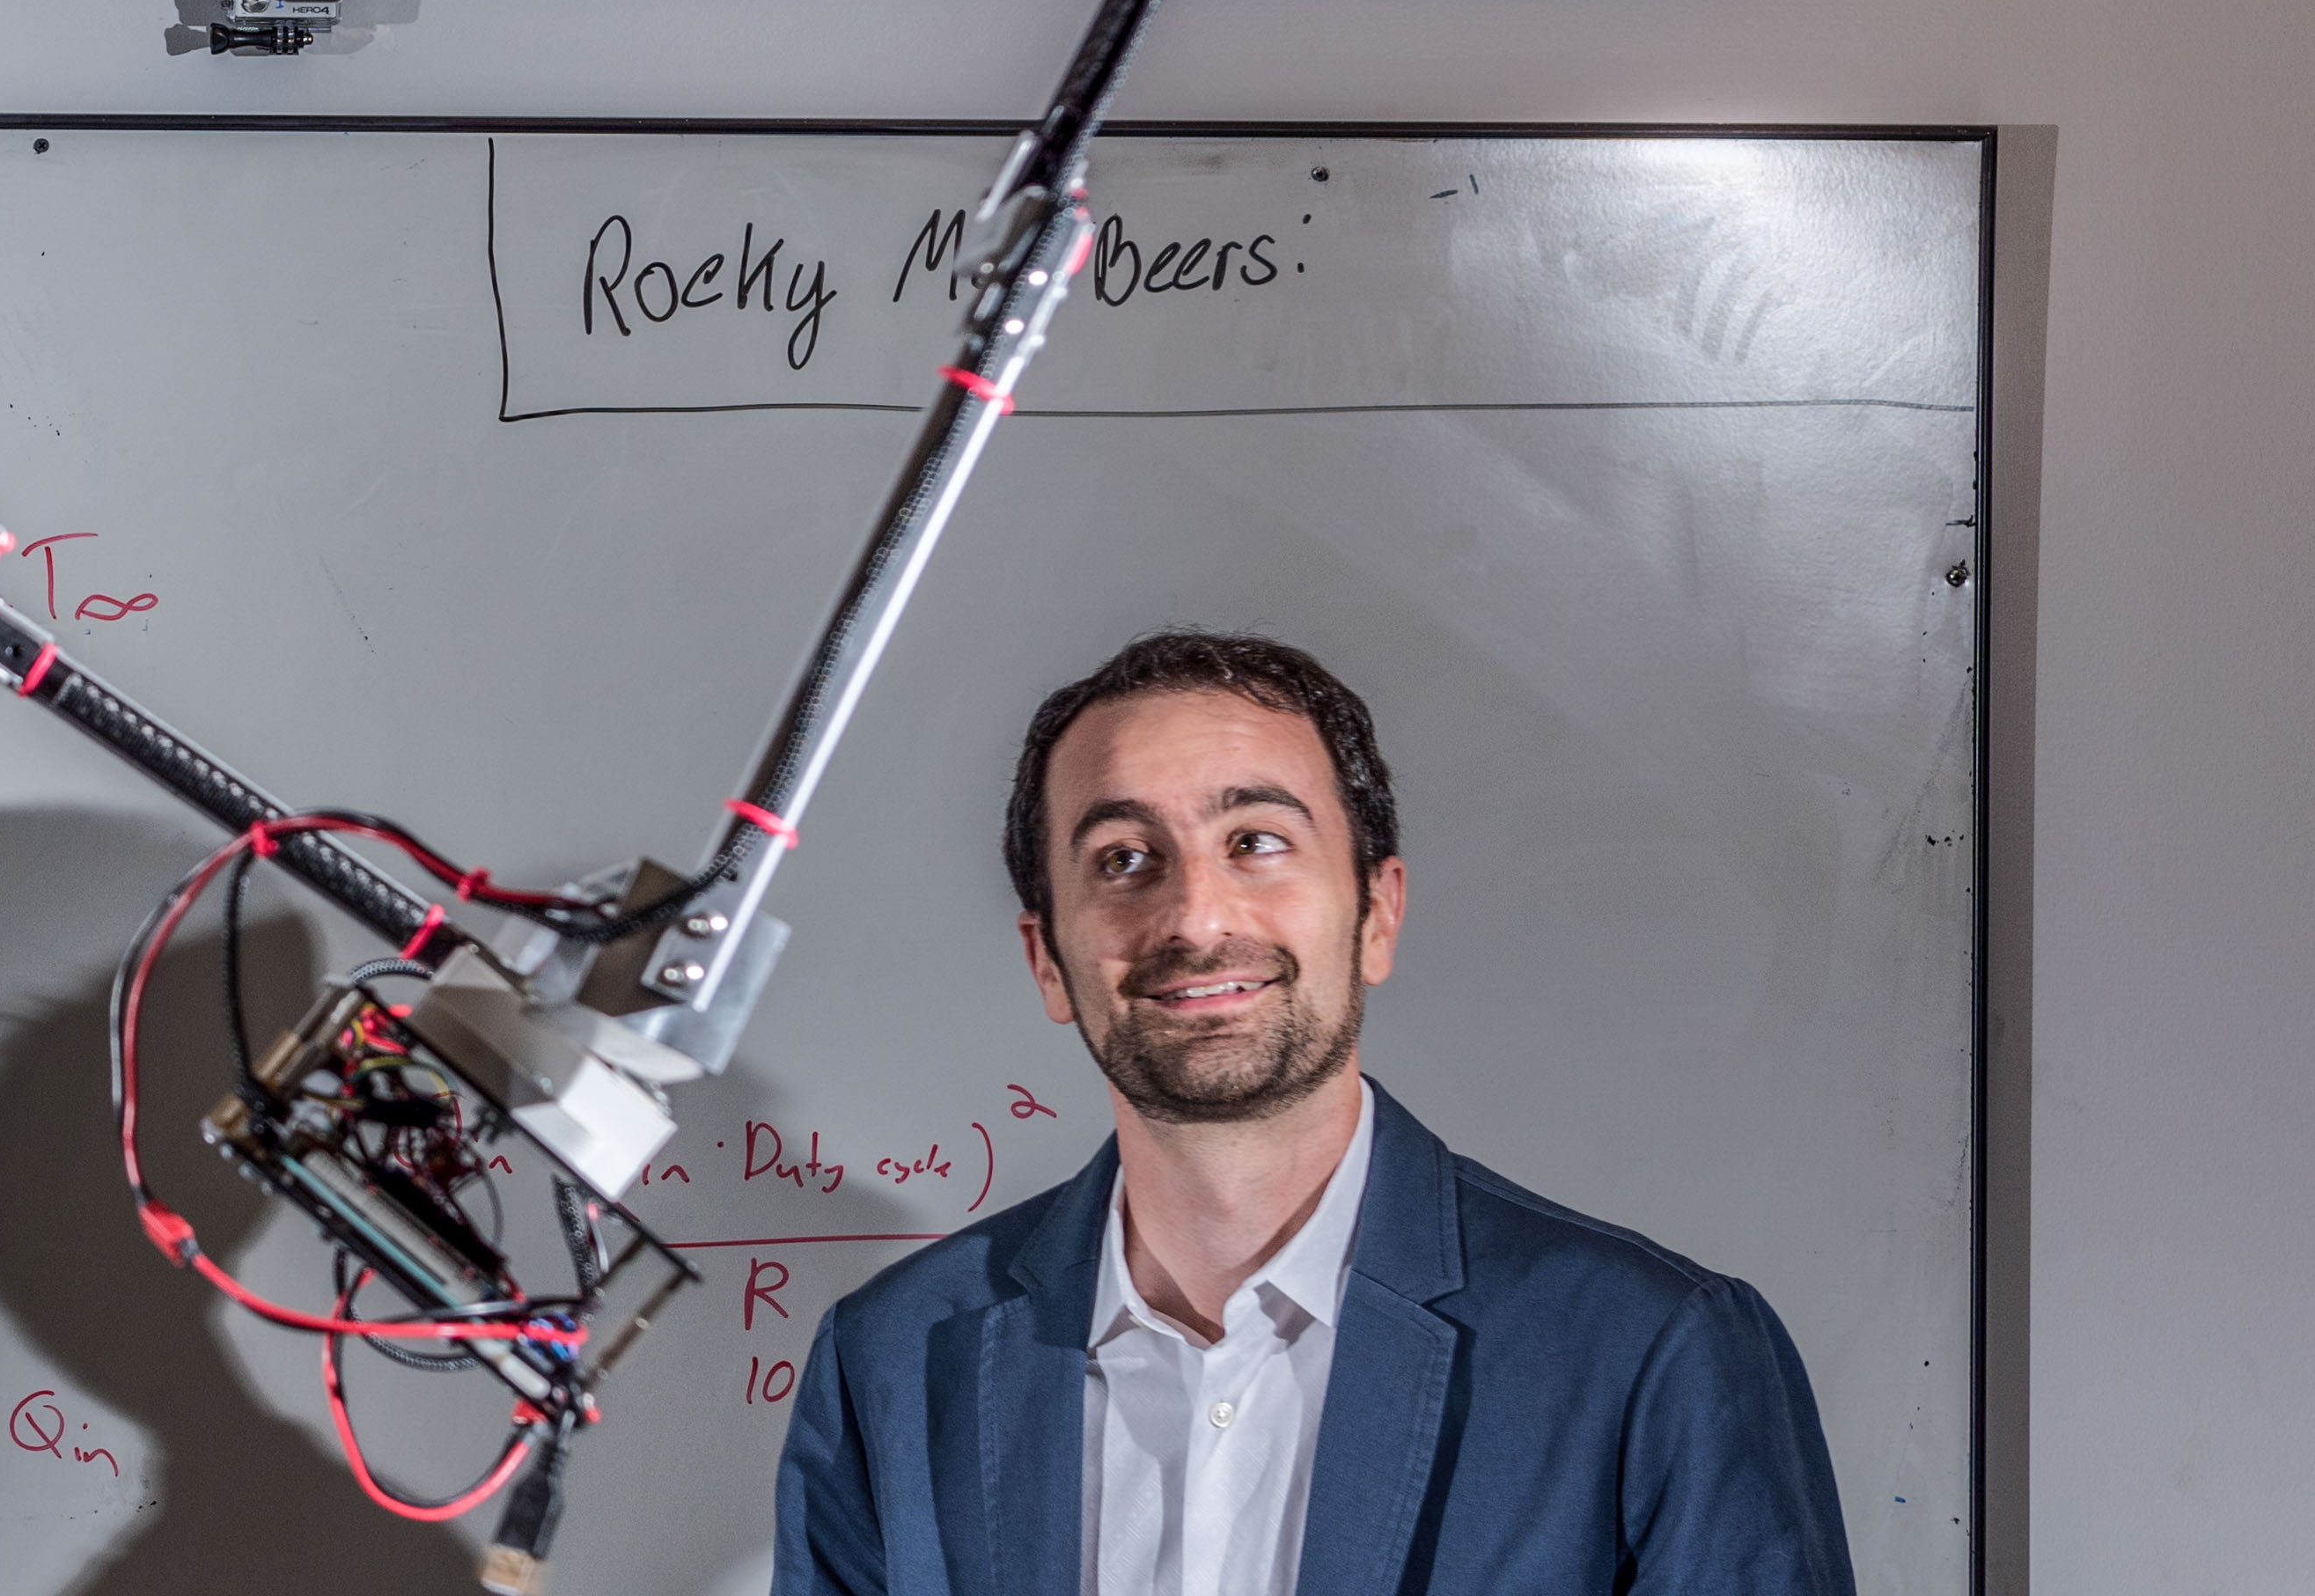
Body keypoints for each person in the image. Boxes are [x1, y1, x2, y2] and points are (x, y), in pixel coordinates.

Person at [772, 635, 1851, 1596]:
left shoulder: (1648, 1351)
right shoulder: (893, 1363)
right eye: (1123, 859)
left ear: (1376, 914)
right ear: (1047, 960)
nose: (1194, 916)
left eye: (1256, 841)